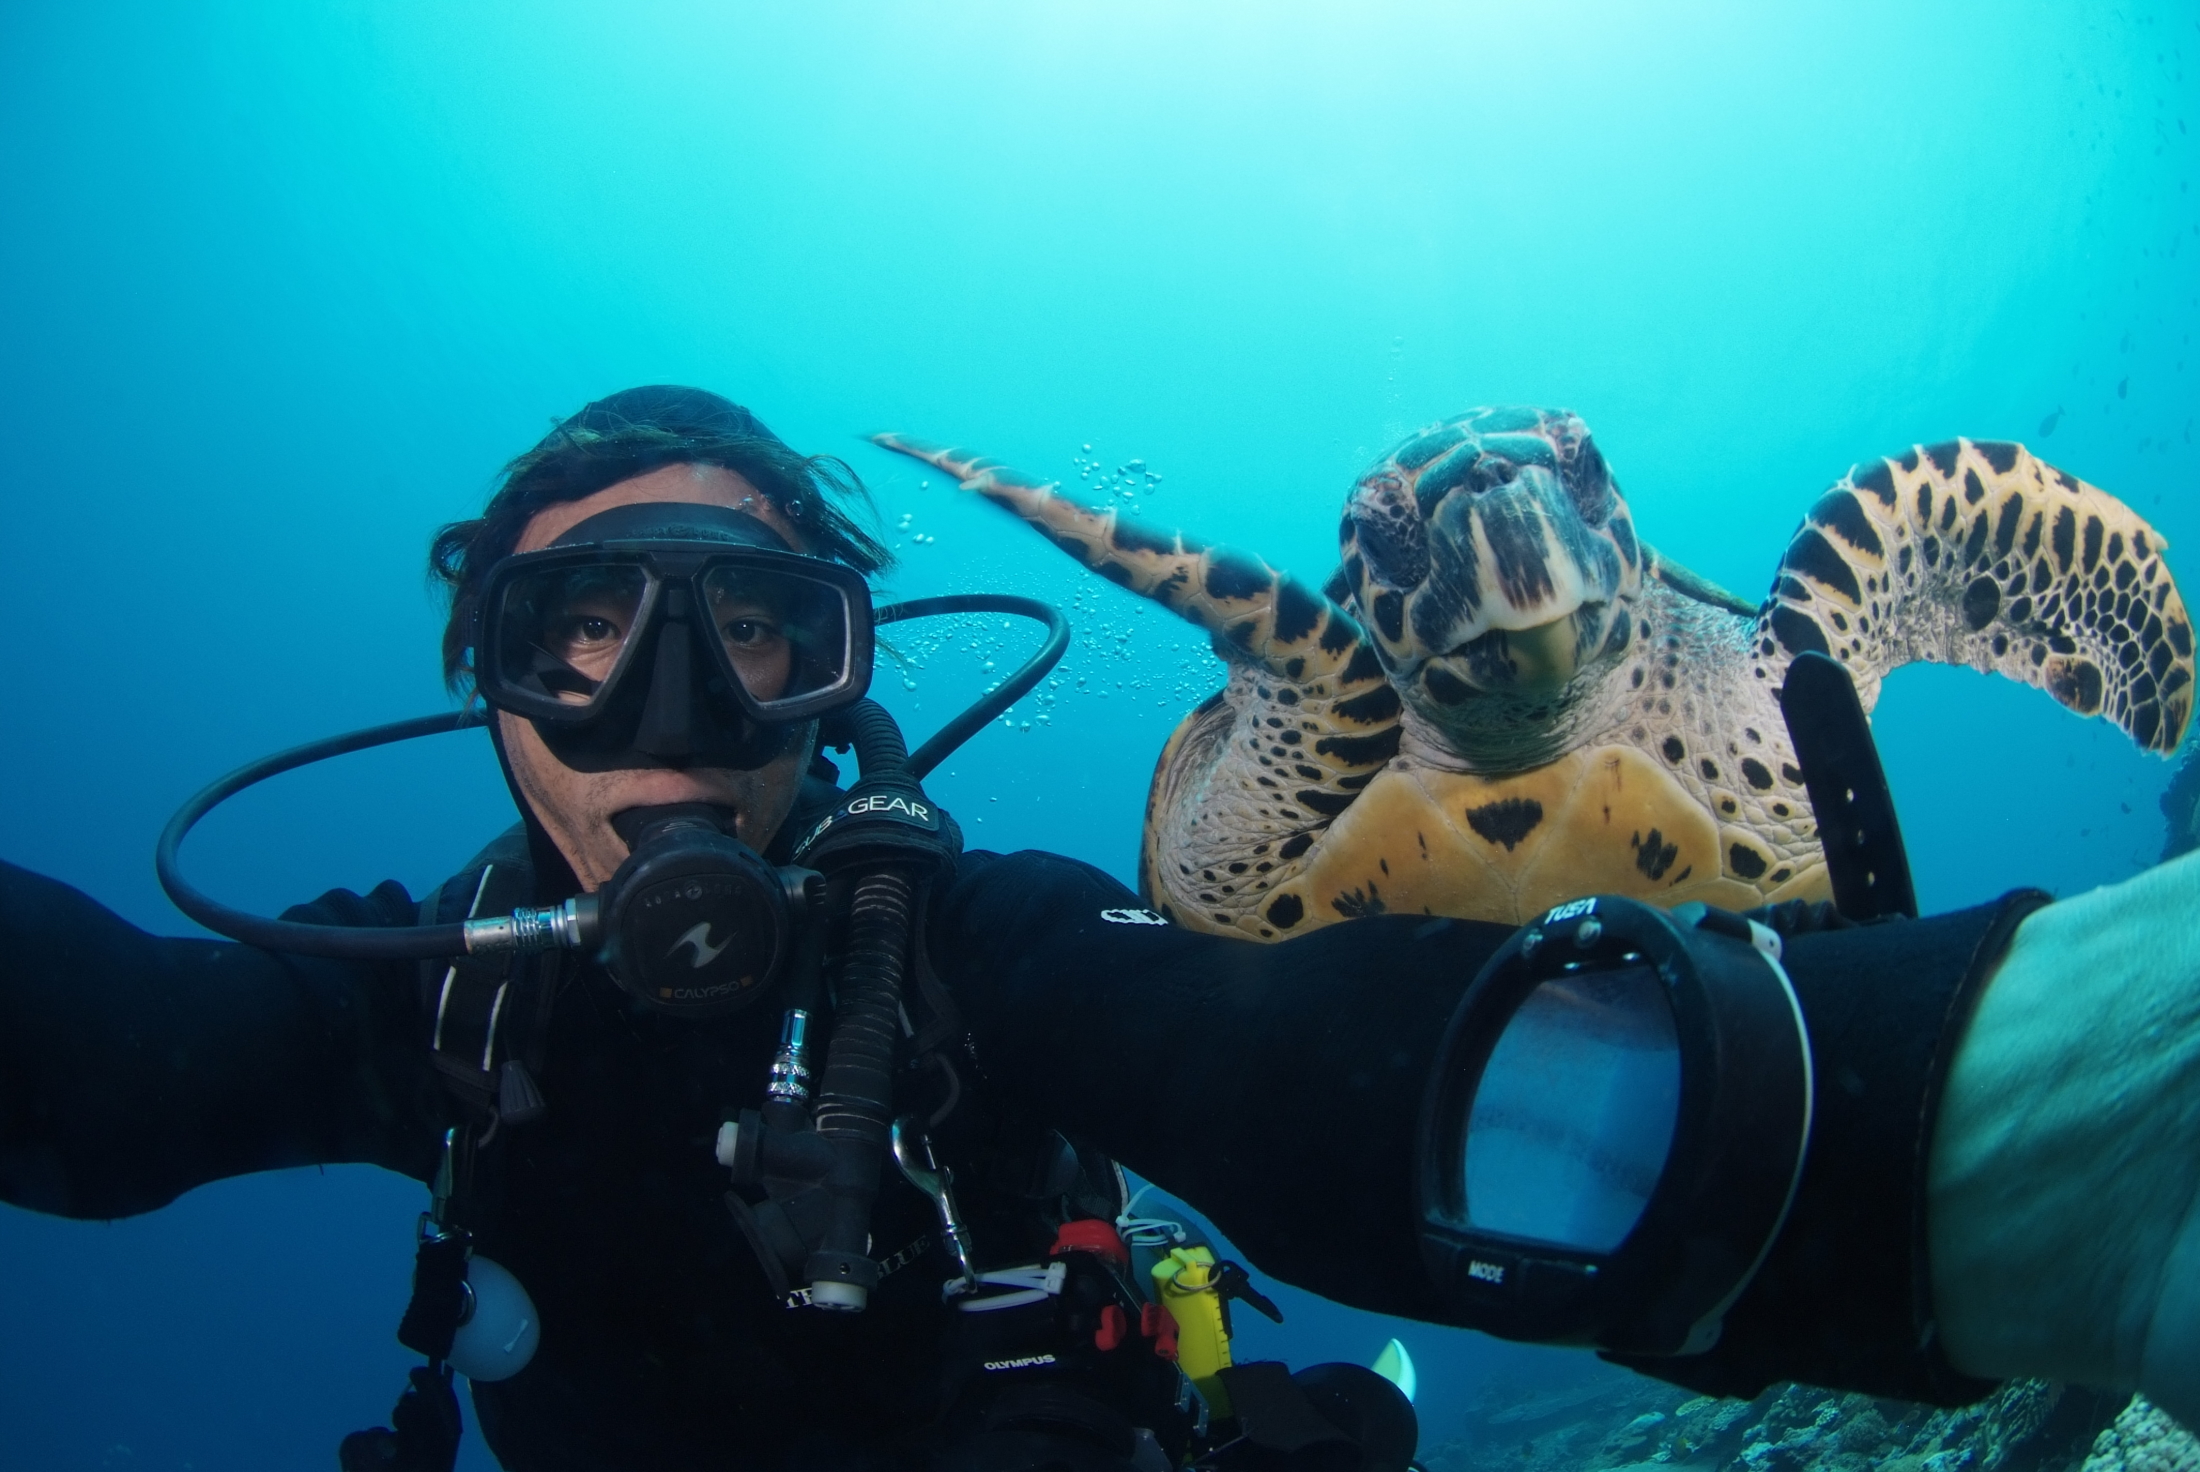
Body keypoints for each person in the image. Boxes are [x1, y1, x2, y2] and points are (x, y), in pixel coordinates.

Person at [3, 386, 2197, 1472]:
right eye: (575, 632)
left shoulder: (973, 948)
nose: (665, 716)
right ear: (484, 677)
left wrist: (2042, 1117)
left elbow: (1308, 1074)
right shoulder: (431, 1005)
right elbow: (98, 1060)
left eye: (750, 630)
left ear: (842, 666)